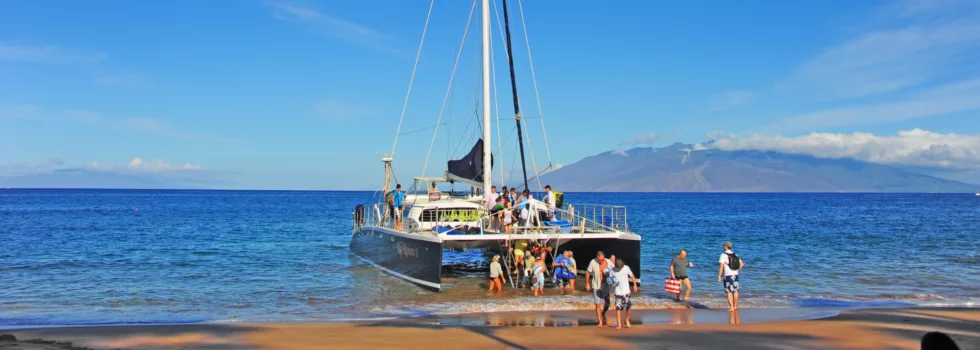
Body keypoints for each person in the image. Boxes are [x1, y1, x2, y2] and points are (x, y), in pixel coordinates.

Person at [585, 251, 611, 327]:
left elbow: (614, 271)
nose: (601, 261)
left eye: (602, 260)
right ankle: (600, 321)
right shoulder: (593, 262)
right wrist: (587, 283)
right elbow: (588, 273)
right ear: (597, 257)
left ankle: (603, 313)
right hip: (596, 285)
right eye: (599, 260)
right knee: (598, 304)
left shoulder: (608, 262)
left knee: (608, 302)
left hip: (605, 285)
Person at [718, 241, 745, 312]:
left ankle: (731, 308)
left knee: (729, 291)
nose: (723, 246)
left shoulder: (723, 255)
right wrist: (737, 269)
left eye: (724, 245)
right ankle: (735, 306)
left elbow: (721, 266)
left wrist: (719, 276)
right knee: (735, 291)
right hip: (735, 274)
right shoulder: (735, 254)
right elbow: (742, 264)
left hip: (728, 275)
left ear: (726, 246)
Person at [611, 259, 638, 329]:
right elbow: (611, 280)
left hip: (626, 291)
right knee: (618, 308)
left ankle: (627, 319)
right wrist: (612, 284)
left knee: (628, 307)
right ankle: (619, 324)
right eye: (618, 267)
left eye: (621, 267)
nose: (620, 269)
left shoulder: (626, 268)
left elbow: (632, 276)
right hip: (618, 292)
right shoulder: (612, 270)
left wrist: (635, 285)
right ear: (616, 266)